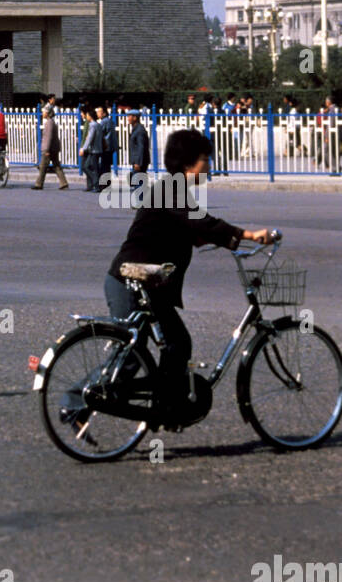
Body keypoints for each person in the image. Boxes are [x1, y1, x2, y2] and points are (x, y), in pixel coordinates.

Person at [100, 129, 274, 427]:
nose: (208, 165)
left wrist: (223, 241)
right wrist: (247, 234)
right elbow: (203, 221)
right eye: (204, 159)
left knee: (172, 344)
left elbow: (192, 228)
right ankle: (76, 402)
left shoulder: (173, 190)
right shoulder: (172, 189)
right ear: (188, 164)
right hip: (131, 282)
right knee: (133, 354)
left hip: (144, 282)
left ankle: (166, 408)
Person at [32, 104, 69, 189]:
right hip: (54, 148)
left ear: (48, 113)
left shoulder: (49, 123)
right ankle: (64, 183)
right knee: (56, 166)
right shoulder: (51, 122)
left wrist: (47, 150)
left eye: (44, 112)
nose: (43, 114)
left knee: (43, 166)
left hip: (49, 148)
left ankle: (39, 184)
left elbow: (48, 137)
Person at [126, 110, 150, 204]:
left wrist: (138, 162)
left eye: (130, 116)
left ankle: (140, 202)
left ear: (135, 118)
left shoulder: (139, 130)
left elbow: (141, 147)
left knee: (139, 182)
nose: (128, 118)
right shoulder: (136, 128)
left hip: (140, 161)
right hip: (138, 160)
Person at [78, 108, 102, 192]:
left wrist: (83, 149)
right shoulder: (98, 124)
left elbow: (90, 138)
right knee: (92, 168)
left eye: (87, 115)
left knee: (87, 167)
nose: (86, 117)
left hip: (93, 150)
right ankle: (96, 184)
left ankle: (97, 184)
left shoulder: (92, 125)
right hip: (98, 149)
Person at [96, 105, 116, 185]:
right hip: (110, 147)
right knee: (107, 166)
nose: (97, 113)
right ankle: (107, 183)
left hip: (105, 147)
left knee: (104, 166)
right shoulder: (110, 121)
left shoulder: (104, 122)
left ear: (104, 113)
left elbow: (99, 133)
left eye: (99, 112)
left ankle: (104, 184)